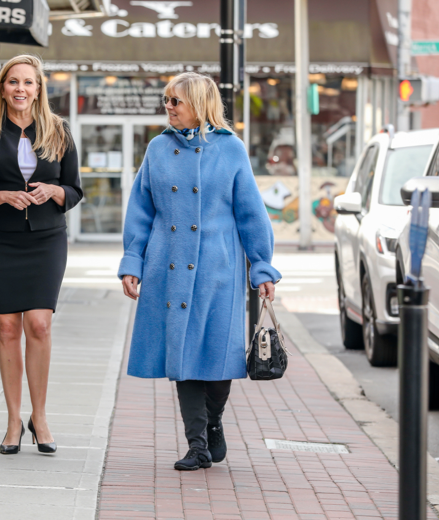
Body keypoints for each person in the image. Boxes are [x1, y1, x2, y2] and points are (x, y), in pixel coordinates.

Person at [118, 72, 280, 471]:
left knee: (217, 356)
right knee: (182, 356)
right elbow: (141, 209)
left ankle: (214, 422)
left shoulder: (231, 149)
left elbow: (251, 213)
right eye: (166, 99)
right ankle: (197, 445)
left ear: (199, 105)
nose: (168, 107)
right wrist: (132, 261)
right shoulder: (157, 149)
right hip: (168, 266)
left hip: (217, 270)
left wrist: (262, 267)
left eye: (176, 101)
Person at [0, 55, 83, 455]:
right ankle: (14, 420)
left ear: (39, 89)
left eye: (28, 83)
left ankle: (39, 417)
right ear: (2, 87)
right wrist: (0, 196)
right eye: (13, 82)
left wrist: (54, 191)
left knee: (40, 326)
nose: (21, 90)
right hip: (1, 239)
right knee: (7, 328)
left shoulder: (59, 130)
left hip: (46, 239)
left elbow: (75, 189)